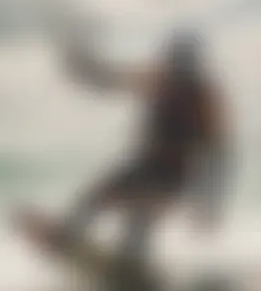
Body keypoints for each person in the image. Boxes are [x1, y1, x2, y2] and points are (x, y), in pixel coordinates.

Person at [59, 29, 233, 269]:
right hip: (145, 165)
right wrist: (82, 64)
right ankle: (68, 238)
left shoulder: (203, 97)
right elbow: (112, 79)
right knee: (96, 195)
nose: (176, 70)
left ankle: (130, 268)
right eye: (174, 62)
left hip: (174, 176)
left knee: (139, 218)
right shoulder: (160, 79)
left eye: (181, 64)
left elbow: (219, 153)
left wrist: (210, 202)